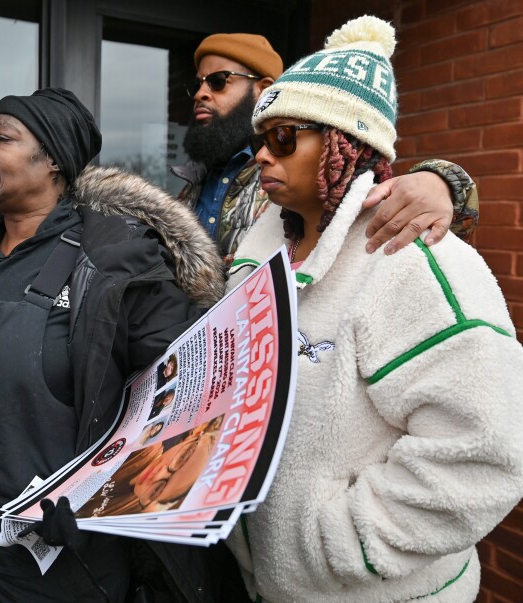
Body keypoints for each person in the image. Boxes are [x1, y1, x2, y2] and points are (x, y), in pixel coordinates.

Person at [0, 88, 239, 602]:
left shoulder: (115, 259)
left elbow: (185, 397)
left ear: (54, 163)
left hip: (62, 561)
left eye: (3, 137)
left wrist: (107, 499)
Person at [223, 17, 523, 603]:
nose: (262, 155)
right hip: (257, 581)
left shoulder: (414, 262)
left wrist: (338, 548)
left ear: (343, 143)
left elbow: (486, 452)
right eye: (261, 138)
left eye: (284, 138)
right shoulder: (259, 248)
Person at [173, 32, 480, 260]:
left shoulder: (308, 187)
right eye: (198, 83)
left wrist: (445, 182)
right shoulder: (193, 181)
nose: (200, 93)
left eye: (217, 81)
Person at [80, 417, 223, 517]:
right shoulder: (145, 449)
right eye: (182, 459)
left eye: (158, 490)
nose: (159, 475)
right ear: (193, 436)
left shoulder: (131, 508)